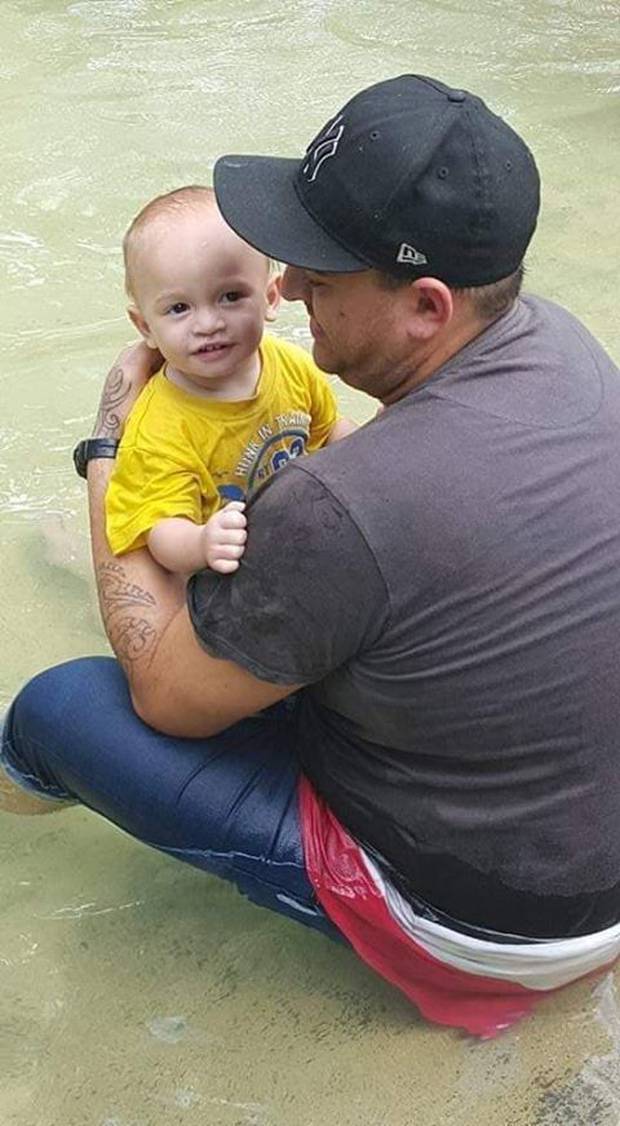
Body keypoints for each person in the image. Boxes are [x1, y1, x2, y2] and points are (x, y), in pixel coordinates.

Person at [3, 74, 620, 1038]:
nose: (283, 290)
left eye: (320, 277)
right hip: (587, 855)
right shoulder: (565, 345)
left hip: (487, 933)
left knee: (58, 708)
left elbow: (165, 697)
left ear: (425, 305)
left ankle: (17, 807)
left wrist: (110, 448)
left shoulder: (340, 507)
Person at [106, 185, 353, 575]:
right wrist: (202, 542)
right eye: (179, 308)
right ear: (145, 326)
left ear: (271, 298)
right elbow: (160, 531)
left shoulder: (291, 365)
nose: (208, 324)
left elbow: (330, 430)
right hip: (216, 566)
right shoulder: (160, 430)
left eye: (231, 296)